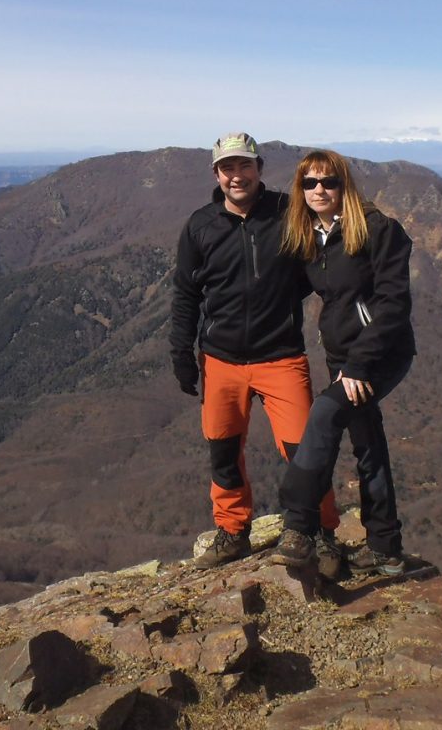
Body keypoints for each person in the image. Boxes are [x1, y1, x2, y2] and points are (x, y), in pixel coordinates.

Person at [170, 132, 340, 571]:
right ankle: (232, 532)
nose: (237, 175)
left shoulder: (289, 213)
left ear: (259, 168)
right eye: (228, 168)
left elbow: (318, 265)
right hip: (220, 361)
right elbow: (186, 295)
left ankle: (320, 533)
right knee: (223, 452)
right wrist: (181, 354)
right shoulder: (200, 226)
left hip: (280, 356)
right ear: (217, 174)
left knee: (305, 451)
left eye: (244, 165)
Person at [274, 149, 415, 576]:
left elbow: (394, 304)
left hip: (380, 355)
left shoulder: (376, 229)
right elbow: (296, 290)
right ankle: (386, 546)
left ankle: (298, 526)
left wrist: (358, 365)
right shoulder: (310, 237)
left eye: (328, 182)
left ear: (344, 185)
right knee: (368, 441)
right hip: (343, 358)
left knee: (326, 412)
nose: (319, 190)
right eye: (309, 183)